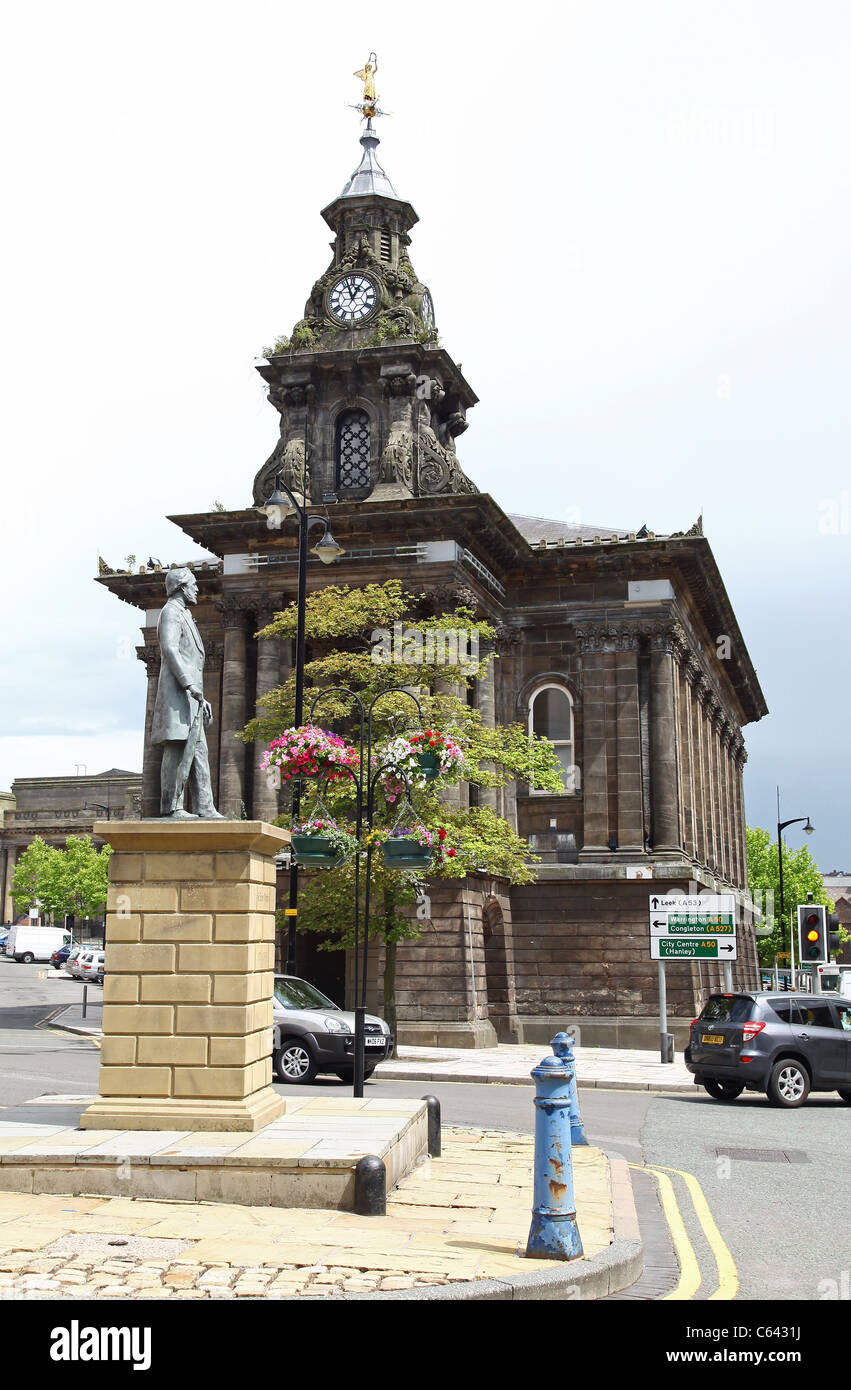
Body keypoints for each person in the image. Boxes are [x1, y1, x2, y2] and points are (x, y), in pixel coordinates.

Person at [150, 567, 224, 819]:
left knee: (199, 751)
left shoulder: (184, 614)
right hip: (179, 694)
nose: (197, 589)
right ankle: (172, 806)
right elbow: (170, 650)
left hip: (191, 697)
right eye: (193, 584)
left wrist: (200, 695)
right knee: (177, 748)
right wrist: (190, 685)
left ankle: (205, 806)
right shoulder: (170, 612)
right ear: (182, 586)